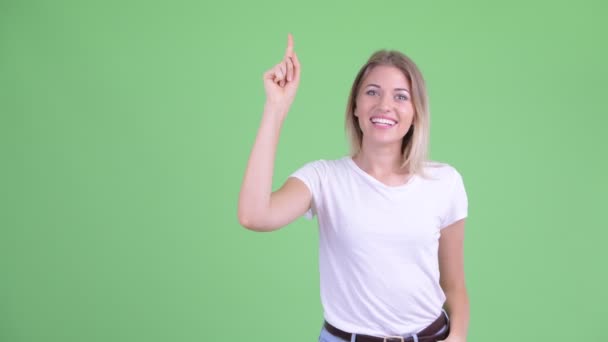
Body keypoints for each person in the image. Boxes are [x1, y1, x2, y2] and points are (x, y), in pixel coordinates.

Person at [238, 33, 469, 342]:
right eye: (372, 92)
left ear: (415, 112)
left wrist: (458, 337)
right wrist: (275, 108)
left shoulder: (445, 182)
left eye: (400, 96)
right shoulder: (324, 179)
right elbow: (254, 215)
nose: (385, 105)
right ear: (356, 106)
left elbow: (454, 286)